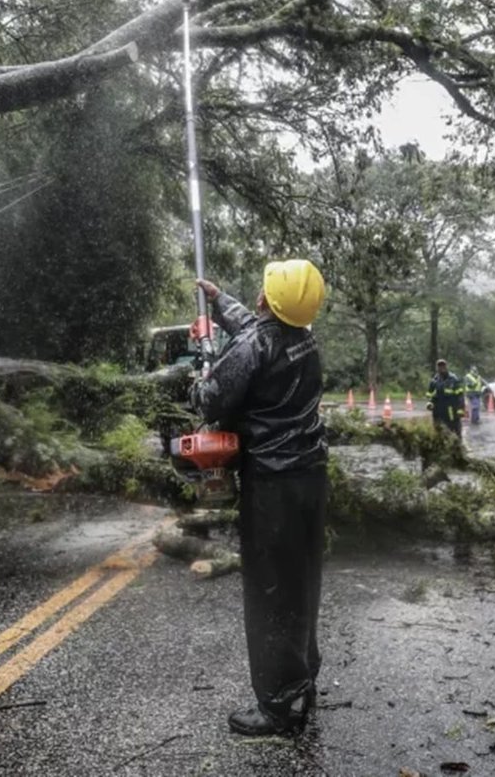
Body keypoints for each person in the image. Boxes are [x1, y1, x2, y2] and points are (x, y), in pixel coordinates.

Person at [192, 259, 327, 738]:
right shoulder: (304, 340)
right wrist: (218, 299)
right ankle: (302, 677)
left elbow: (211, 401)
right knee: (300, 579)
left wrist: (204, 369)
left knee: (270, 590)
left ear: (267, 298)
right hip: (310, 477)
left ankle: (280, 705)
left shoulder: (253, 345)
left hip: (272, 484)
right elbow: (258, 332)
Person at [427, 359, 466, 440]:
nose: (442, 368)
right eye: (440, 366)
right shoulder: (434, 381)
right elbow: (430, 395)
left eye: (443, 366)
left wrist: (461, 409)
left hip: (451, 412)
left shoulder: (453, 379)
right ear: (437, 368)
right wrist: (430, 403)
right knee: (438, 432)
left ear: (446, 366)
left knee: (455, 431)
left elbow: (460, 396)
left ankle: (458, 447)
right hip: (438, 412)